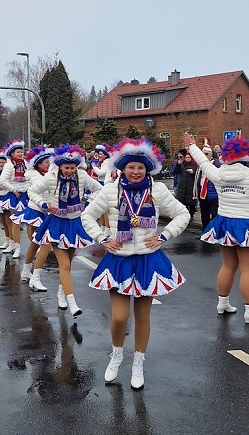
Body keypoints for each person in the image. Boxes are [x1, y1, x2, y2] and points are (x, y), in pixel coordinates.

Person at [81, 137, 190, 389]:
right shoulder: (110, 190)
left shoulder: (157, 190)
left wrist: (163, 236)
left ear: (147, 169)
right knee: (120, 318)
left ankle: (138, 362)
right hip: (118, 260)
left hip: (147, 260)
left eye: (140, 167)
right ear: (123, 168)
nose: (136, 171)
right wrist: (103, 239)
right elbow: (87, 215)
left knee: (142, 316)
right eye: (131, 167)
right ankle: (117, 354)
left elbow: (182, 213)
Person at [184, 133, 249, 323]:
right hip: (248, 224)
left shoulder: (218, 174)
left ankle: (223, 303)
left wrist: (192, 147)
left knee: (228, 266)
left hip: (225, 222)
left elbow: (203, 163)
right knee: (248, 271)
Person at [29, 144, 101, 316]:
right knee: (65, 264)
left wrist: (89, 203)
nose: (69, 171)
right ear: (60, 166)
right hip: (57, 223)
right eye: (66, 167)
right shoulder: (51, 178)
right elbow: (32, 191)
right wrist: (44, 204)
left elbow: (100, 189)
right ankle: (72, 302)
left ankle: (61, 293)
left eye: (72, 167)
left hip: (75, 223)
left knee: (69, 262)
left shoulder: (82, 176)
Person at [10, 145, 55, 291]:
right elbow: (37, 193)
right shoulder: (37, 176)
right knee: (42, 244)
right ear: (38, 164)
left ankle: (26, 272)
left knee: (36, 244)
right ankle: (34, 277)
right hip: (37, 210)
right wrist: (47, 204)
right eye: (46, 162)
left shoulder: (44, 174)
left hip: (43, 211)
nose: (49, 164)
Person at [0, 140, 30, 257]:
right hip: (14, 195)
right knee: (11, 222)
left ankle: (30, 246)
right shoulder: (9, 165)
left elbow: (30, 178)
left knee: (26, 223)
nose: (20, 153)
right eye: (18, 152)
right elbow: (2, 181)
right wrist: (13, 189)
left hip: (25, 195)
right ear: (12, 154)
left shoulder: (25, 163)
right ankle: (14, 245)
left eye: (21, 151)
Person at [193, 146, 219, 228]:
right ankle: (205, 231)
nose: (205, 156)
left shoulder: (217, 164)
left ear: (211, 154)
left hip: (213, 193)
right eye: (203, 154)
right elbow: (197, 179)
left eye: (207, 154)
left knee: (215, 214)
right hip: (202, 193)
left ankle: (214, 231)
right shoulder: (200, 165)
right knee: (204, 214)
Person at [174, 151, 198, 216]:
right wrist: (178, 164)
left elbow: (198, 174)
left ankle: (191, 215)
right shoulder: (182, 165)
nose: (187, 159)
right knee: (183, 203)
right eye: (186, 157)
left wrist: (193, 172)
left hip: (191, 187)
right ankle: (185, 215)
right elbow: (175, 172)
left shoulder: (194, 165)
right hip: (182, 187)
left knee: (191, 203)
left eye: (189, 157)